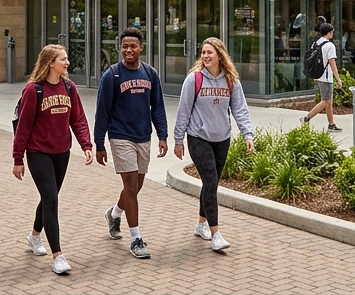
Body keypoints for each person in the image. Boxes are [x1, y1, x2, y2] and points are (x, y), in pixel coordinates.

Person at [12, 44, 93, 276]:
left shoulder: (69, 87)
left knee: (50, 198)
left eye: (66, 59)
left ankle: (34, 236)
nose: (67, 63)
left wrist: (86, 145)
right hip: (38, 152)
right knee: (51, 200)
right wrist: (18, 158)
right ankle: (58, 256)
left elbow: (78, 119)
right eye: (63, 59)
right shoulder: (33, 90)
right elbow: (23, 127)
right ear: (50, 63)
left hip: (62, 152)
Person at [172, 37, 255, 253]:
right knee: (210, 181)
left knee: (212, 184)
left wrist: (248, 134)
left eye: (210, 52)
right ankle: (216, 234)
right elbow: (183, 111)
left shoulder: (231, 80)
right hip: (198, 137)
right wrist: (178, 140)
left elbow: (240, 109)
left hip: (222, 138)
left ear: (220, 54)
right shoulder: (194, 79)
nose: (205, 56)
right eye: (203, 52)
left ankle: (201, 224)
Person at [93, 27, 168, 260]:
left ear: (141, 48)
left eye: (133, 46)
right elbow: (102, 111)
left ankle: (114, 214)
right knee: (132, 186)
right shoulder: (112, 75)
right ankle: (136, 238)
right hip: (120, 136)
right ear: (120, 48)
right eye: (124, 46)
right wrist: (99, 143)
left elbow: (157, 106)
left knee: (135, 186)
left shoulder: (150, 73)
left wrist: (163, 135)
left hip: (143, 136)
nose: (128, 50)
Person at [300, 24, 341, 132]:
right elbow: (332, 63)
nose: (333, 33)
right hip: (326, 77)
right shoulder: (330, 46)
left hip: (317, 75)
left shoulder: (317, 43)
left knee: (329, 102)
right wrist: (338, 78)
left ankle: (331, 124)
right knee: (325, 101)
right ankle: (306, 118)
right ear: (329, 32)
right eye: (332, 32)